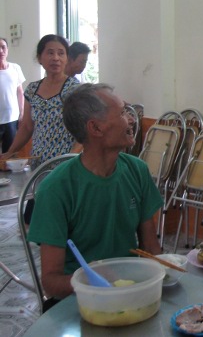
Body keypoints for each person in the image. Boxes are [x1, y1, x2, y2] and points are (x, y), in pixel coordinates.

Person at [27, 83, 163, 299]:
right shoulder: (57, 189)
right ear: (96, 128)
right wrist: (91, 278)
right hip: (79, 301)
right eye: (122, 113)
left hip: (129, 290)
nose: (131, 120)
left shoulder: (137, 171)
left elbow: (151, 249)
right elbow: (51, 283)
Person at [1, 34, 80, 165]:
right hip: (38, 163)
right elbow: (26, 127)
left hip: (65, 165)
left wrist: (69, 160)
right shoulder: (32, 89)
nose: (56, 58)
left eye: (61, 53)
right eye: (50, 53)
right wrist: (10, 152)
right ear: (39, 58)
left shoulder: (75, 89)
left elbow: (83, 131)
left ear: (67, 59)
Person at [0, 37, 25, 154]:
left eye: (3, 47)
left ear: (7, 50)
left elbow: (20, 92)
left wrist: (22, 112)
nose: (1, 51)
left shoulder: (15, 68)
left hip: (12, 119)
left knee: (10, 154)